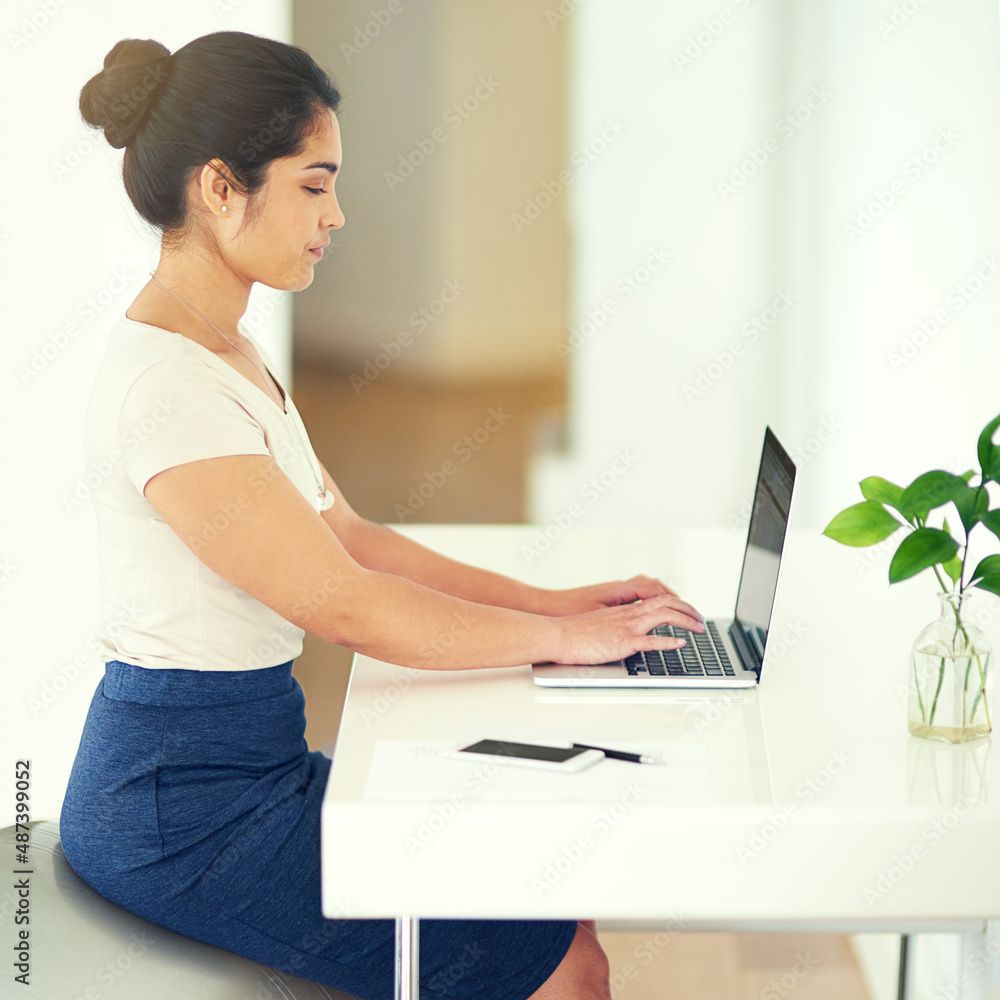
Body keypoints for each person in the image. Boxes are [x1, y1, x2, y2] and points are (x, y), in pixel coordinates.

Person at [60, 30, 704, 1000]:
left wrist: (561, 606)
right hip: (183, 815)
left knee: (552, 898)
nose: (336, 215)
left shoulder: (224, 353)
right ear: (221, 188)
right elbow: (348, 605)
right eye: (314, 186)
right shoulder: (168, 390)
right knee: (567, 963)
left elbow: (351, 540)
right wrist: (561, 639)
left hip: (248, 769)